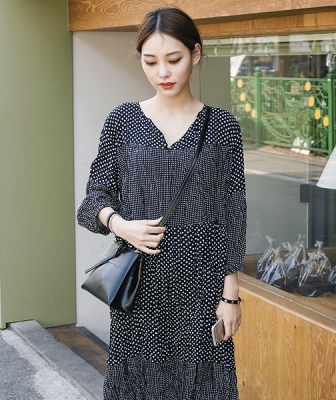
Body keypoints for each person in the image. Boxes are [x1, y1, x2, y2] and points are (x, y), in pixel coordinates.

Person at [77, 7, 247, 399]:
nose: (163, 73)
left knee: (204, 386)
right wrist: (121, 225)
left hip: (202, 284)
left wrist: (230, 294)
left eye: (174, 59)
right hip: (140, 285)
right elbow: (92, 201)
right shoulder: (122, 121)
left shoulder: (223, 127)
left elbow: (233, 213)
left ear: (195, 54)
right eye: (150, 62)